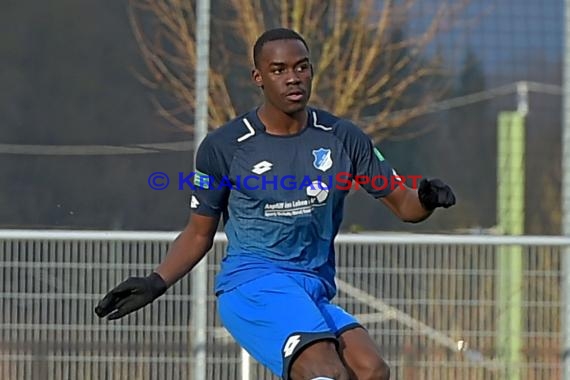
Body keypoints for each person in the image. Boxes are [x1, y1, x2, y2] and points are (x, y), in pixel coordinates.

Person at [95, 27, 456, 380]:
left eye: (301, 66)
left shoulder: (343, 138)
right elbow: (199, 232)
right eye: (279, 70)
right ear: (258, 77)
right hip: (253, 285)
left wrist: (425, 197)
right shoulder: (225, 147)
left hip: (312, 287)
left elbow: (405, 206)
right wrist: (156, 282)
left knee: (370, 369)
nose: (293, 78)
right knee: (323, 369)